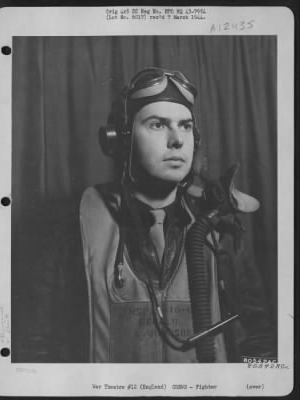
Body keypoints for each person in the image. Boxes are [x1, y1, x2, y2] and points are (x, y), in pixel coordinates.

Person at [80, 67, 275, 363]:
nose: (177, 140)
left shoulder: (219, 230)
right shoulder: (77, 225)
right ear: (121, 140)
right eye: (158, 125)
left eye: (185, 126)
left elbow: (258, 341)